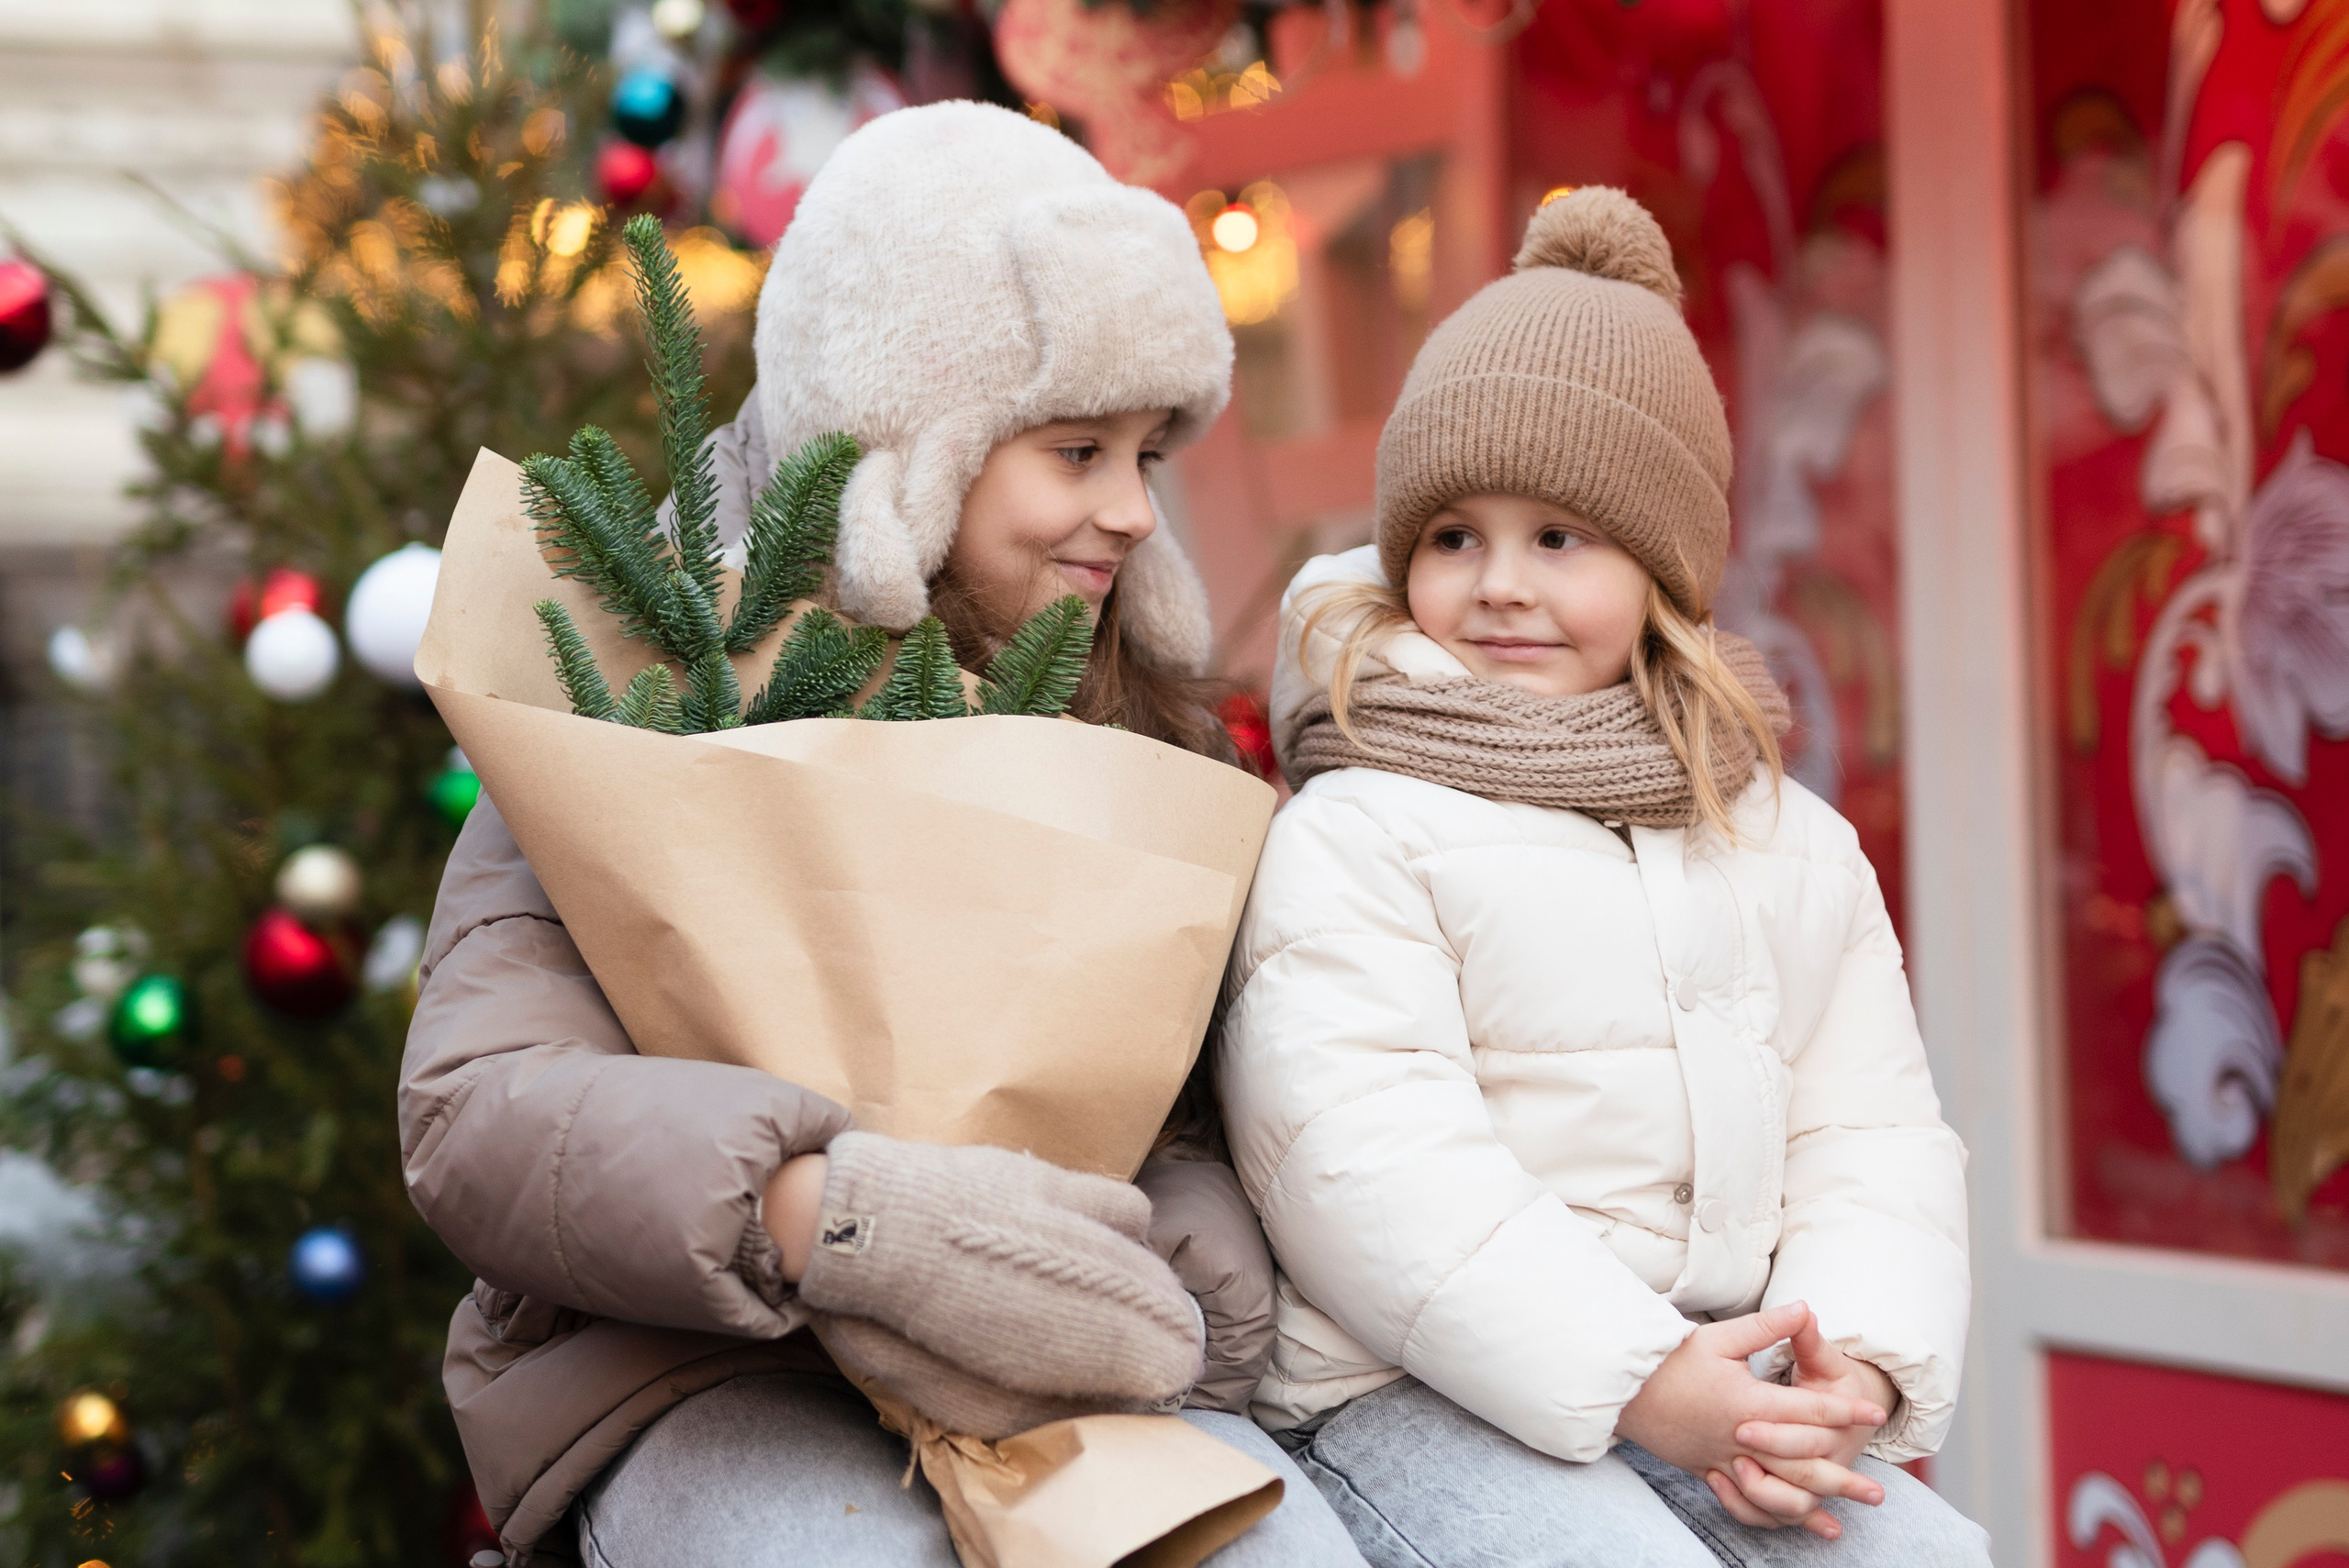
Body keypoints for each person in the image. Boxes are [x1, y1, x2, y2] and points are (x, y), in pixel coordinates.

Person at [399, 102, 1364, 1568]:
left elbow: (1171, 1109)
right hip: (699, 1364)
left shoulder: (1120, 717)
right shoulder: (650, 684)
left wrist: (1166, 1249)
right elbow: (480, 1107)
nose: (1126, 513)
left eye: (1147, 456)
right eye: (1076, 449)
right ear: (914, 439)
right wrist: (825, 1208)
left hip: (1049, 1369)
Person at [1216, 186, 1989, 1567]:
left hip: (1716, 1381)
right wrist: (1641, 1379)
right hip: (1416, 1390)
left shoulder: (1782, 839)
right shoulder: (1364, 820)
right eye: (1456, 536)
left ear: (1665, 568)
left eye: (1558, 537)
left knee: (1932, 1557)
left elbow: (1867, 1138)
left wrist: (1845, 1372)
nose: (1501, 582)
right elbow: (1362, 1157)